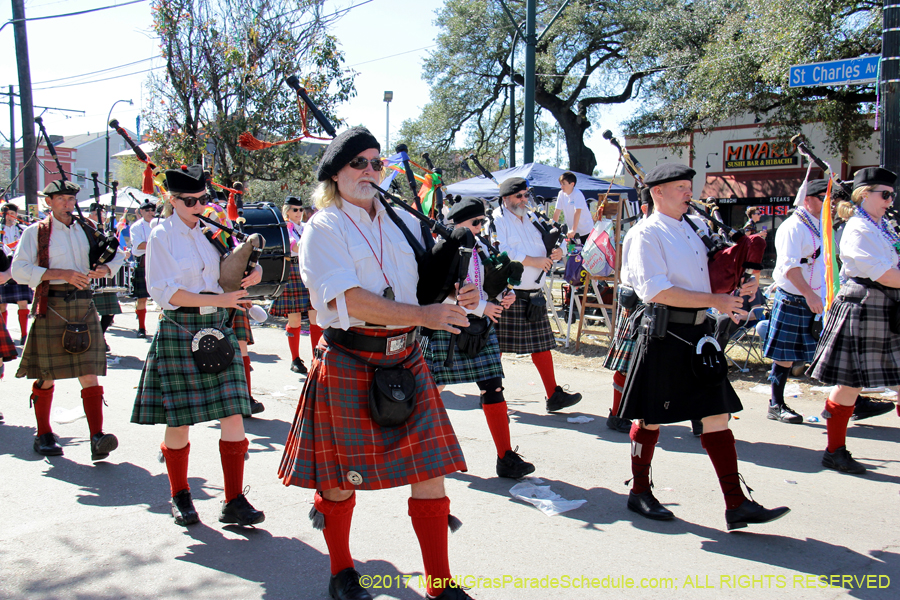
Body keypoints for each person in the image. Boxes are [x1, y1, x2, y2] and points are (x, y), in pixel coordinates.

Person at [278, 127, 480, 600]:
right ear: (335, 174)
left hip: (405, 357)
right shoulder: (322, 228)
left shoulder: (400, 222)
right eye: (359, 164)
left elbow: (424, 285)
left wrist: (456, 293)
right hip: (351, 356)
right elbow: (350, 299)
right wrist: (423, 314)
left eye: (376, 162)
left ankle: (439, 583)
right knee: (340, 480)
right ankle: (342, 571)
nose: (371, 171)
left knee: (430, 471)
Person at [618, 163, 789, 530]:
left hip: (698, 335)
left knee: (716, 416)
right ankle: (640, 491)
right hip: (664, 335)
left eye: (688, 186)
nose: (687, 193)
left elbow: (711, 275)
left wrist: (735, 287)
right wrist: (716, 298)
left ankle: (736, 504)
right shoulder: (647, 234)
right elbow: (655, 291)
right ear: (657, 192)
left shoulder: (693, 229)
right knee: (649, 419)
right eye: (680, 187)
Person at [131, 165, 265, 527]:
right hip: (180, 325)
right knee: (180, 420)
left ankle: (234, 500)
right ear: (172, 200)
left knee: (234, 414)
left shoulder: (211, 232)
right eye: (190, 200)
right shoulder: (161, 236)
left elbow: (230, 269)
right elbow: (164, 291)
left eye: (203, 199)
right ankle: (180, 495)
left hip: (215, 326)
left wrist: (254, 274)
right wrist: (221, 302)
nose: (198, 205)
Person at [421, 197, 534, 479]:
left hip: (480, 327)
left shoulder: (481, 247)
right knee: (432, 390)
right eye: (475, 223)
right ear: (458, 224)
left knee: (493, 388)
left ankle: (505, 456)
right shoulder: (444, 249)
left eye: (482, 222)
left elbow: (485, 284)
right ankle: (420, 449)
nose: (480, 227)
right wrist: (485, 307)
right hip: (447, 325)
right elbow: (443, 293)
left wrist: (502, 296)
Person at [12, 180, 125, 460]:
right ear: (48, 202)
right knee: (47, 374)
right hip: (52, 304)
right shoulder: (36, 232)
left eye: (71, 199)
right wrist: (57, 272)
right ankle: (44, 433)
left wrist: (105, 267)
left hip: (84, 305)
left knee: (88, 371)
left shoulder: (86, 229)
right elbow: (19, 269)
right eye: (60, 199)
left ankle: (97, 436)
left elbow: (117, 253)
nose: (67, 204)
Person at [808, 168, 900, 474]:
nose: (890, 200)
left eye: (892, 194)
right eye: (884, 194)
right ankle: (834, 451)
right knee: (850, 385)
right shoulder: (858, 229)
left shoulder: (882, 226)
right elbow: (885, 274)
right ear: (864, 195)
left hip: (886, 305)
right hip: (865, 305)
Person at [493, 177, 582, 412]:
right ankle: (492, 392)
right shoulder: (496, 219)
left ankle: (554, 395)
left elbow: (552, 240)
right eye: (518, 196)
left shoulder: (532, 218)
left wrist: (558, 252)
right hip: (508, 292)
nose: (524, 200)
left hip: (534, 291)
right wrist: (535, 260)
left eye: (525, 195)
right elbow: (502, 251)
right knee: (497, 346)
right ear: (505, 199)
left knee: (541, 346)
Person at [603, 188, 652, 433]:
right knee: (627, 365)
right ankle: (617, 413)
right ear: (646, 208)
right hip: (640, 302)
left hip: (657, 302)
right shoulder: (640, 232)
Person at [269, 196, 317, 376]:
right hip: (293, 271)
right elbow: (295, 247)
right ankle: (295, 359)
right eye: (295, 210)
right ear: (287, 211)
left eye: (300, 209)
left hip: (309, 270)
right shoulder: (285, 229)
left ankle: (316, 357)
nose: (299, 213)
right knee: (295, 319)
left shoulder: (306, 227)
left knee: (315, 316)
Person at [86, 203, 123, 352]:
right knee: (88, 312)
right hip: (85, 277)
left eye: (102, 214)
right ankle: (91, 338)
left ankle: (100, 335)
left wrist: (107, 268)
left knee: (110, 310)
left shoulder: (107, 232)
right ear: (90, 215)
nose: (100, 217)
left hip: (103, 278)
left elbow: (118, 253)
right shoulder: (84, 229)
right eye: (97, 213)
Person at [0, 202, 33, 344]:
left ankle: (24, 335)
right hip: (3, 267)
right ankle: (4, 334)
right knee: (2, 305)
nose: (11, 217)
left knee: (22, 302)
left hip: (19, 267)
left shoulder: (22, 229)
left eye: (14, 214)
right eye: (8, 214)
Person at [129, 200, 162, 339]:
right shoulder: (136, 227)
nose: (150, 212)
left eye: (152, 209)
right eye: (147, 210)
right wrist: (158, 243)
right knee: (142, 298)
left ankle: (162, 328)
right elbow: (140, 245)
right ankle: (141, 327)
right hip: (144, 263)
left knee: (163, 297)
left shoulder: (161, 224)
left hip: (160, 263)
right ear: (141, 211)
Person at [552, 171, 593, 244]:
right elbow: (557, 211)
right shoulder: (561, 194)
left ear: (572, 184)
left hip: (586, 231)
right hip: (572, 233)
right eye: (561, 184)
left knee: (585, 254)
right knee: (573, 254)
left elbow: (577, 212)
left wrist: (573, 230)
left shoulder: (577, 194)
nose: (561, 187)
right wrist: (553, 228)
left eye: (564, 184)